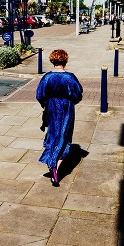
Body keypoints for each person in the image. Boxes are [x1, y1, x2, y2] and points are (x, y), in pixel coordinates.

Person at [35, 48, 82, 187]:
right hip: (66, 108)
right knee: (65, 136)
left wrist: (47, 104)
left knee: (53, 134)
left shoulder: (47, 77)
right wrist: (69, 101)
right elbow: (78, 94)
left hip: (51, 107)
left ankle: (51, 159)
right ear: (65, 61)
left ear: (52, 61)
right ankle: (56, 163)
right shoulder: (70, 77)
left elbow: (39, 95)